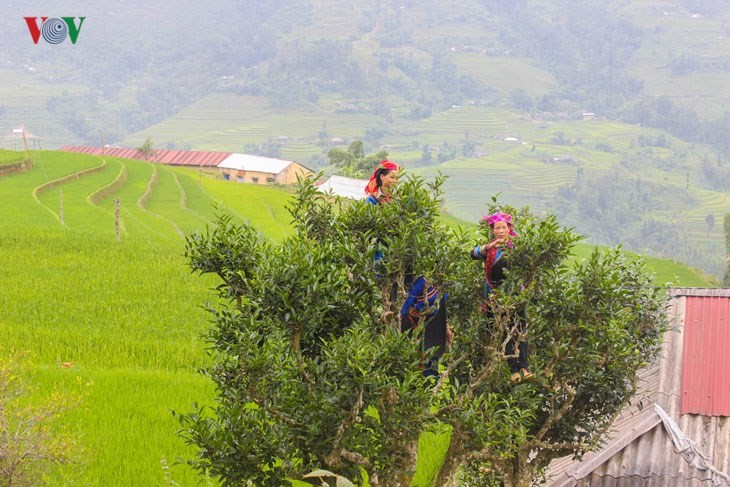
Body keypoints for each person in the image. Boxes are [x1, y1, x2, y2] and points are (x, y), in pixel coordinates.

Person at [470, 211, 531, 383]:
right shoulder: (489, 249)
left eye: (504, 227)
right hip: (493, 295)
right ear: (493, 230)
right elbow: (472, 254)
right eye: (498, 227)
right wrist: (487, 247)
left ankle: (524, 367)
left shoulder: (515, 248)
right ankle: (513, 369)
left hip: (514, 294)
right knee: (503, 330)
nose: (501, 230)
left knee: (520, 329)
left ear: (509, 229)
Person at [400, 276, 452, 379]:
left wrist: (446, 326)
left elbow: (442, 307)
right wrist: (400, 319)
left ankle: (431, 386)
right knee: (419, 356)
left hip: (435, 325)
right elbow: (407, 303)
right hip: (419, 324)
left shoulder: (445, 285)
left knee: (433, 356)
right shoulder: (422, 282)